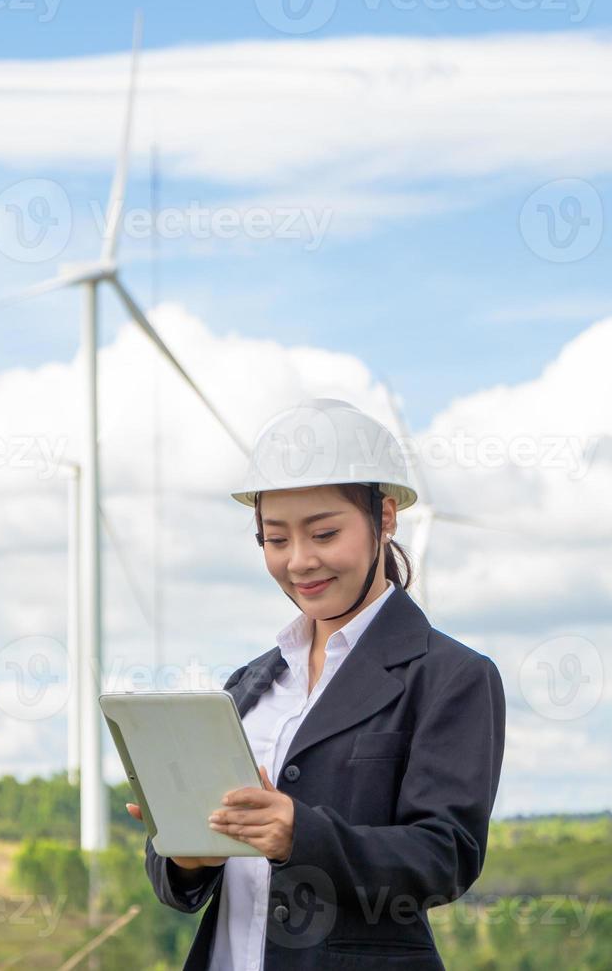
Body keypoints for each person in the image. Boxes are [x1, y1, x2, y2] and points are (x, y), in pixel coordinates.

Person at [128, 397, 506, 970]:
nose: (300, 561)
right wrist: (182, 850)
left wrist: (299, 834)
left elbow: (443, 856)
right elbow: (180, 882)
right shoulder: (249, 683)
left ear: (385, 518)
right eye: (276, 540)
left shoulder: (451, 677)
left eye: (324, 533)